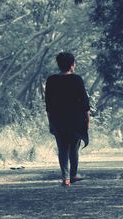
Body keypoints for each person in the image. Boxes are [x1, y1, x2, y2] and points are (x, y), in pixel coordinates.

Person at [45, 52, 90, 187]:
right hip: (75, 120)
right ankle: (73, 175)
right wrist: (87, 120)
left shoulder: (51, 80)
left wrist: (50, 120)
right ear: (72, 65)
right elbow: (84, 102)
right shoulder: (77, 79)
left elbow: (48, 103)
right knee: (73, 148)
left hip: (58, 119)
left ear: (58, 65)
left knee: (62, 148)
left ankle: (65, 177)